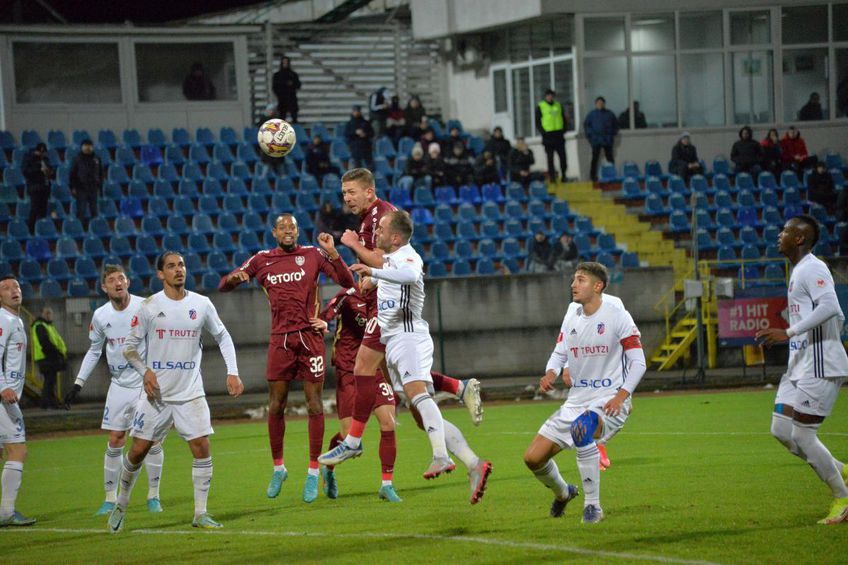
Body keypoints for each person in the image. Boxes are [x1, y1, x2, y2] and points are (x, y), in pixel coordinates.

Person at [318, 169, 483, 467]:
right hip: (379, 307)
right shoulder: (368, 219)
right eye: (343, 193)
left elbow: (389, 262)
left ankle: (355, 441)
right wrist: (338, 256)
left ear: (369, 192)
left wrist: (358, 251)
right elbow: (364, 274)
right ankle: (470, 448)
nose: (346, 198)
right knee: (413, 400)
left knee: (366, 369)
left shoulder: (385, 216)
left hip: (392, 314)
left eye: (351, 192)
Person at [336, 211, 492, 497]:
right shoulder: (391, 260)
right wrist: (377, 280)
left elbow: (410, 274)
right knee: (421, 409)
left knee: (419, 394)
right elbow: (394, 279)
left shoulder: (409, 256)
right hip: (393, 341)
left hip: (409, 337)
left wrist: (373, 272)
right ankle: (474, 463)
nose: (376, 234)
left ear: (395, 237)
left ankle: (441, 455)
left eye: (381, 229)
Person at [218, 216, 353, 503]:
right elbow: (223, 285)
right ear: (274, 233)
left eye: (292, 227)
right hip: (280, 339)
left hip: (309, 338)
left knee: (314, 404)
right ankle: (279, 467)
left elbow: (347, 281)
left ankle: (313, 472)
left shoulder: (313, 255)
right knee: (276, 404)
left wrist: (333, 253)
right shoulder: (261, 259)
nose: (288, 231)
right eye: (283, 228)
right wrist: (234, 278)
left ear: (297, 231)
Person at [108, 251, 243, 532]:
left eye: (181, 265)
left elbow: (223, 336)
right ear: (161, 274)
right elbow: (129, 347)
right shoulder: (148, 306)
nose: (178, 270)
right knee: (137, 451)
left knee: (201, 447)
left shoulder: (202, 304)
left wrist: (233, 371)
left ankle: (200, 513)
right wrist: (145, 371)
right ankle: (121, 503)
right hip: (156, 396)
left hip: (190, 391)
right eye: (171, 266)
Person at [523, 262, 645, 524]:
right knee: (532, 459)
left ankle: (593, 507)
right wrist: (552, 372)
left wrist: (622, 396)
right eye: (574, 280)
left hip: (609, 399)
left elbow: (639, 362)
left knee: (582, 428)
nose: (573, 285)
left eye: (580, 280)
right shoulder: (572, 315)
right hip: (577, 400)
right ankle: (564, 493)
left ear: (597, 286)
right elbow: (560, 350)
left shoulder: (617, 314)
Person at [756, 215, 848, 525]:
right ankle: (841, 469)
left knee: (804, 435)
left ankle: (842, 497)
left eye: (785, 231)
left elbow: (831, 307)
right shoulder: (798, 270)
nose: (778, 235)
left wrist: (789, 333)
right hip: (799, 363)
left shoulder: (813, 267)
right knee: (781, 430)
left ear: (799, 239)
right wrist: (789, 337)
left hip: (820, 363)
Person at [64, 264, 165, 516]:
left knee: (150, 442)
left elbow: (161, 339)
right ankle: (110, 498)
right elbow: (94, 350)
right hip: (119, 384)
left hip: (144, 384)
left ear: (128, 282)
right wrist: (78, 383)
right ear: (104, 287)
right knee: (115, 440)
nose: (118, 283)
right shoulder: (100, 316)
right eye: (112, 280)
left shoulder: (146, 306)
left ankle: (153, 495)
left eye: (121, 278)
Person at [317, 286, 402, 502]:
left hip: (373, 370)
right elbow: (329, 311)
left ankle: (387, 485)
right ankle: (328, 468)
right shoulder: (347, 295)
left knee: (388, 423)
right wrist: (324, 321)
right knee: (349, 438)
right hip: (348, 370)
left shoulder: (386, 297)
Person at [0, 275, 36, 527]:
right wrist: (3, 387)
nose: (14, 290)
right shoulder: (3, 320)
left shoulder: (15, 319)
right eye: (6, 288)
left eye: (17, 286)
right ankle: (6, 512)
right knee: (18, 449)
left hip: (7, 398)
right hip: (4, 400)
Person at [31, 307, 67, 410]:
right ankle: (49, 404)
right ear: (42, 314)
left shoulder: (47, 325)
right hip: (46, 357)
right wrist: (57, 353)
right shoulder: (40, 325)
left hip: (48, 357)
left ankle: (48, 404)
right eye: (46, 313)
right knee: (50, 381)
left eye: (50, 313)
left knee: (50, 381)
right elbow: (45, 343)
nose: (48, 315)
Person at [583, 97, 619, 183]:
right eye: (598, 103)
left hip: (607, 140)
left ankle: (612, 175)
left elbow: (616, 125)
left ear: (604, 104)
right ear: (596, 104)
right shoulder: (591, 115)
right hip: (596, 140)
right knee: (595, 159)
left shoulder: (609, 114)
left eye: (602, 103)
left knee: (610, 158)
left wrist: (611, 134)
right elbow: (586, 126)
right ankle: (592, 176)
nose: (600, 104)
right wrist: (591, 136)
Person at [536, 89, 567, 183]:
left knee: (563, 157)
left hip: (558, 134)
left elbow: (563, 118)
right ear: (545, 96)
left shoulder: (558, 105)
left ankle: (564, 175)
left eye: (551, 95)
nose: (550, 97)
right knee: (550, 158)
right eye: (548, 95)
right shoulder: (540, 106)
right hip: (548, 135)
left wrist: (564, 129)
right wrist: (543, 132)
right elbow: (537, 121)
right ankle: (552, 177)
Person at [69, 139, 102, 226]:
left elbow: (100, 173)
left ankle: (95, 229)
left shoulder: (97, 159)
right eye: (85, 145)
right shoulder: (77, 159)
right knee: (81, 211)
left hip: (93, 188)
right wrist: (73, 187)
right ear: (82, 147)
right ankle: (80, 230)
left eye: (89, 146)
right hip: (81, 188)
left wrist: (100, 187)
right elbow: (72, 174)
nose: (87, 148)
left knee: (94, 211)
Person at [22, 142, 52, 233]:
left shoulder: (45, 159)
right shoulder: (28, 158)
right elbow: (25, 171)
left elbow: (51, 171)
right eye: (40, 152)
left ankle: (42, 230)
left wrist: (49, 171)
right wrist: (39, 169)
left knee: (43, 210)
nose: (42, 154)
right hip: (34, 187)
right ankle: (31, 230)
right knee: (34, 210)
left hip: (45, 187)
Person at [272, 56, 301, 123]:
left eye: (286, 63)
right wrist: (280, 93)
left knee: (294, 118)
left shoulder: (293, 75)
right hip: (282, 100)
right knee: (282, 119)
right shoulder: (277, 75)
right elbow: (274, 87)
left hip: (292, 99)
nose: (285, 64)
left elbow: (298, 85)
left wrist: (292, 84)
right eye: (283, 63)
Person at [345, 105, 374, 170]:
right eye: (355, 111)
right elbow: (347, 134)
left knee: (370, 168)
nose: (357, 112)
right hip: (355, 148)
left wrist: (365, 134)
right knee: (356, 169)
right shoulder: (349, 124)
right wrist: (355, 132)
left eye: (358, 111)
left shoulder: (365, 122)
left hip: (366, 147)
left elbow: (372, 133)